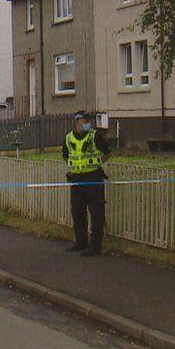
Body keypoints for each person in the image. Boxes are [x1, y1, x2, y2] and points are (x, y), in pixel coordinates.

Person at [62, 110, 111, 256]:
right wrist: (74, 168)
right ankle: (80, 243)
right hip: (77, 180)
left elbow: (108, 152)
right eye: (84, 121)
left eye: (88, 121)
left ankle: (95, 246)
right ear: (77, 122)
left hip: (93, 178)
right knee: (78, 213)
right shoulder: (68, 138)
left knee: (96, 214)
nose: (88, 124)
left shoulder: (95, 136)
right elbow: (65, 155)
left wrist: (96, 164)